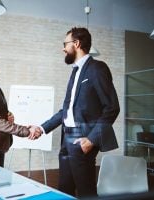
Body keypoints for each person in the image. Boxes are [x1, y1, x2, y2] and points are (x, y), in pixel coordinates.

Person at [33, 27, 120, 198]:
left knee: (86, 191)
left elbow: (112, 107)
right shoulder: (75, 72)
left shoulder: (97, 68)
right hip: (67, 137)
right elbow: (66, 110)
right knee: (64, 188)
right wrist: (42, 128)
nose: (63, 48)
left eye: (65, 44)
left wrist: (92, 139)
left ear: (77, 43)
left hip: (83, 138)